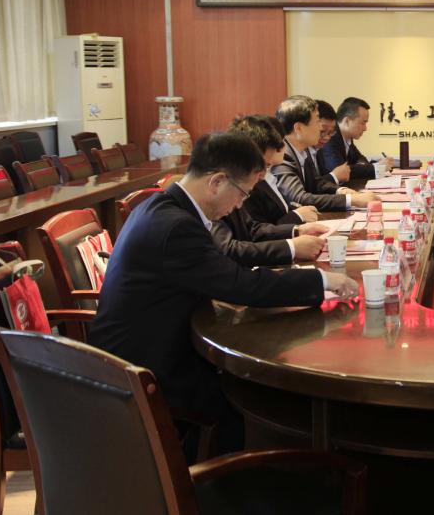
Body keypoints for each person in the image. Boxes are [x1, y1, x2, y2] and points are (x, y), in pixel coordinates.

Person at [90, 132, 359, 452]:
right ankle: (238, 471)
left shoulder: (163, 207)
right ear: (217, 182)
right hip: (147, 371)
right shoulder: (176, 227)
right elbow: (239, 284)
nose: (240, 205)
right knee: (250, 395)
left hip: (142, 352)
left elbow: (222, 272)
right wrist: (321, 281)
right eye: (243, 194)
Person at [213, 114, 328, 267]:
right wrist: (291, 247)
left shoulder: (236, 183)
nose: (263, 175)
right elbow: (228, 251)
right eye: (264, 165)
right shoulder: (221, 189)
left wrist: (297, 231)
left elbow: (252, 229)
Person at [272, 96, 375, 211]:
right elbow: (299, 198)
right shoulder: (282, 155)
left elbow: (315, 183)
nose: (319, 128)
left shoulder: (303, 151)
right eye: (317, 122)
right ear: (298, 128)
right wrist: (351, 200)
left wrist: (340, 190)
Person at [322, 97, 395, 180]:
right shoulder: (330, 137)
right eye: (363, 123)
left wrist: (378, 165)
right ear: (347, 121)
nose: (365, 128)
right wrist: (377, 167)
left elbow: (361, 160)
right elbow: (342, 170)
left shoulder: (348, 138)